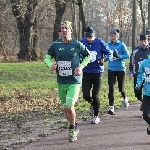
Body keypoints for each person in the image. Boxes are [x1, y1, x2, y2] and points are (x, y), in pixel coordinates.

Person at [44, 21, 91, 142]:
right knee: (66, 109)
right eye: (62, 28)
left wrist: (81, 67)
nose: (64, 30)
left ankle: (72, 127)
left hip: (74, 80)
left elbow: (88, 56)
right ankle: (73, 125)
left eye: (66, 28)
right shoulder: (55, 45)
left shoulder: (77, 44)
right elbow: (47, 57)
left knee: (70, 106)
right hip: (61, 80)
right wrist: (50, 65)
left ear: (70, 31)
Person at [80, 26, 111, 124]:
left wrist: (104, 59)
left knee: (95, 94)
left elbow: (108, 53)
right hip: (86, 71)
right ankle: (93, 104)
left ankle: (96, 116)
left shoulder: (100, 42)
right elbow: (77, 53)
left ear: (94, 36)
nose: (89, 39)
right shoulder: (82, 42)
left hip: (97, 72)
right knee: (85, 94)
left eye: (91, 37)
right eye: (87, 37)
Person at [107, 29, 130, 115]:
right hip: (111, 69)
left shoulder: (121, 45)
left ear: (117, 36)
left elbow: (127, 55)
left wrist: (118, 56)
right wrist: (103, 58)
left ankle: (125, 99)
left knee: (121, 88)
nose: (113, 37)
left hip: (120, 69)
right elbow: (105, 54)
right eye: (112, 35)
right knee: (111, 88)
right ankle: (111, 107)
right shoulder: (107, 45)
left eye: (115, 36)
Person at [129, 34, 149, 111]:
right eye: (142, 41)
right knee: (137, 92)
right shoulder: (136, 50)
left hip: (148, 76)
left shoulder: (149, 50)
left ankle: (146, 106)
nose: (143, 43)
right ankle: (144, 102)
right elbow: (131, 62)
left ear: (147, 41)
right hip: (138, 75)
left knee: (147, 92)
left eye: (145, 41)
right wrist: (131, 72)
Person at [136, 45, 150, 135]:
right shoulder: (145, 63)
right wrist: (139, 83)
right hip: (147, 92)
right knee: (145, 115)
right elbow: (140, 74)